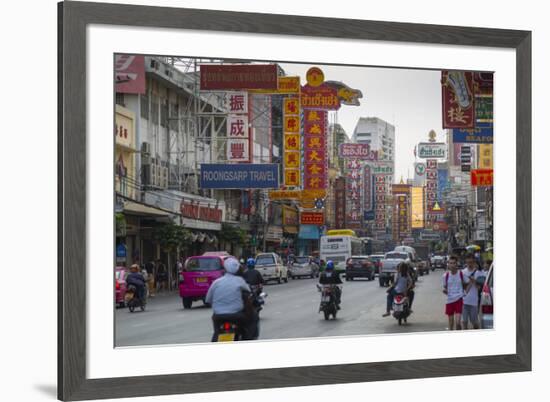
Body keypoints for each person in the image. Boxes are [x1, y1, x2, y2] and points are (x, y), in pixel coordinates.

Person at [205, 257, 259, 341]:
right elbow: (249, 292)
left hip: (218, 316)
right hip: (237, 315)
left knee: (217, 332)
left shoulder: (216, 282)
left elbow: (208, 299)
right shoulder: (240, 281)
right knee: (253, 317)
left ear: (224, 269)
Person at [442, 255, 465, 330]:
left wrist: (465, 293)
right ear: (448, 264)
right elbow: (445, 288)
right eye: (450, 263)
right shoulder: (445, 276)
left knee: (458, 322)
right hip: (449, 301)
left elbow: (468, 283)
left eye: (454, 263)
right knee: (451, 324)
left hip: (459, 299)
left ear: (456, 264)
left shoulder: (461, 274)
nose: (452, 265)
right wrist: (445, 291)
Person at [462, 253, 484, 329]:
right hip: (464, 301)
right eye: (468, 262)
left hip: (473, 302)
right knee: (464, 322)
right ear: (466, 261)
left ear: (474, 261)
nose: (470, 264)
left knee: (474, 323)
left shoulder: (479, 272)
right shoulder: (462, 272)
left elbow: (479, 288)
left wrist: (474, 281)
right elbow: (462, 286)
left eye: (471, 262)